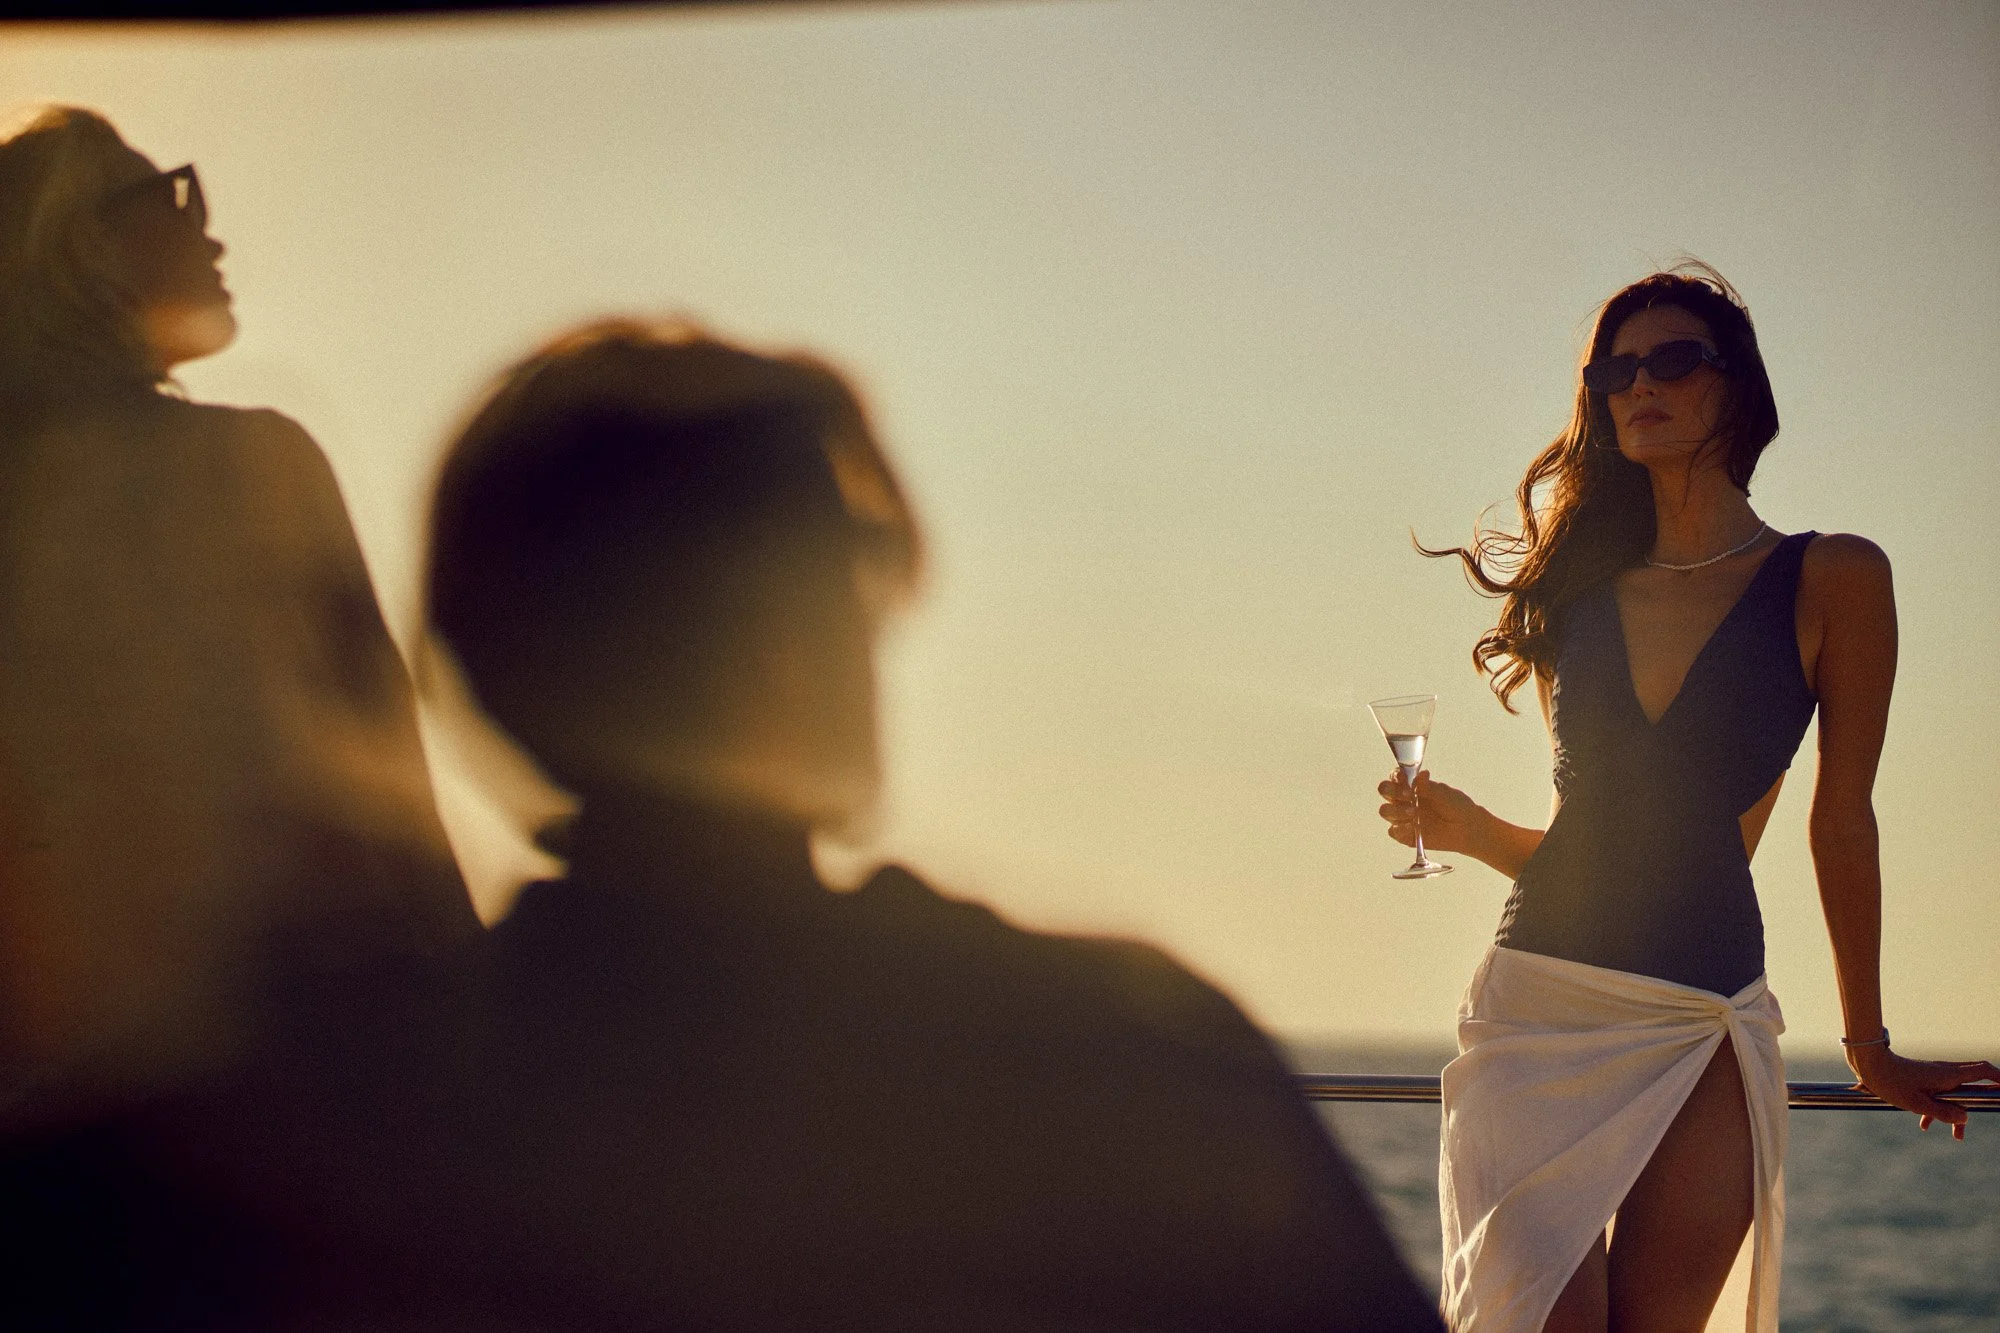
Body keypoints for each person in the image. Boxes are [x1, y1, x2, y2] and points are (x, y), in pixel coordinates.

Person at [415, 318, 1446, 1330]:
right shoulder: (1119, 1052)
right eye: (853, 556)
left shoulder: (352, 1106)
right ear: (796, 630)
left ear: (477, 649)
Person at [1378, 263, 2000, 1332]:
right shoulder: (1572, 592)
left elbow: (1833, 819)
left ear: (1735, 388)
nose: (1636, 385)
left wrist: (1867, 1041)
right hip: (1535, 1011)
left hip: (1702, 1015)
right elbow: (1609, 839)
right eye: (1614, 371)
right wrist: (1474, 833)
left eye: (1669, 360)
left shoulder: (1833, 578)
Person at [0, 106, 476, 1125]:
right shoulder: (257, 464)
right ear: (76, 242)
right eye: (170, 195)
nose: (208, 230)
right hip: (294, 1112)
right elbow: (393, 807)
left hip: (53, 1144)